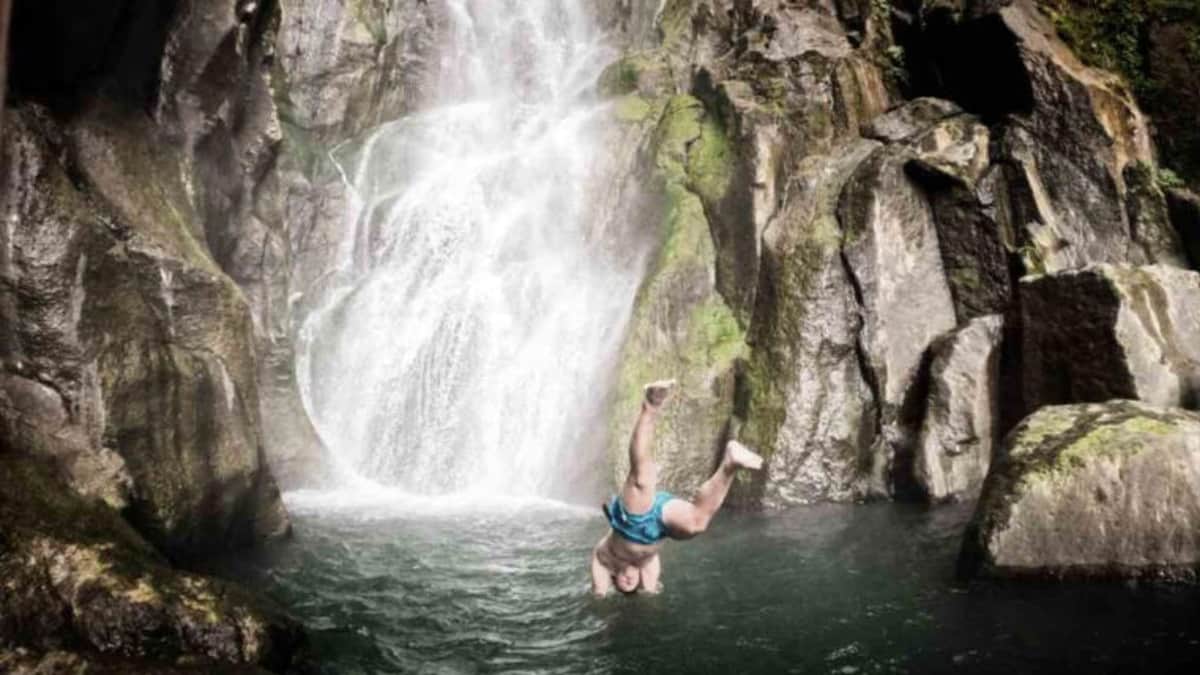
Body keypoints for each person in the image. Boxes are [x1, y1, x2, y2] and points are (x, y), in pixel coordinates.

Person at [590, 379, 763, 597]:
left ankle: (651, 405)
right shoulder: (649, 570)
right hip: (658, 527)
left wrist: (600, 594)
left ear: (614, 578)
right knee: (696, 524)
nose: (627, 580)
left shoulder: (604, 558)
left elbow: (599, 590)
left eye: (622, 583)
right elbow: (651, 593)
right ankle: (730, 464)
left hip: (629, 523)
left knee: (641, 477)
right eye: (631, 584)